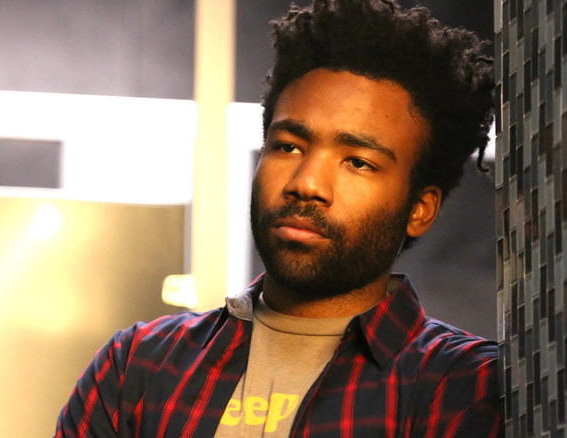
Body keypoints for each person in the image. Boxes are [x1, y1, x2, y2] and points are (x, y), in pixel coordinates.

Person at [56, 0, 500, 436]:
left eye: (358, 162)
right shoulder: (136, 367)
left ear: (420, 209)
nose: (307, 183)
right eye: (288, 146)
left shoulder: (466, 386)